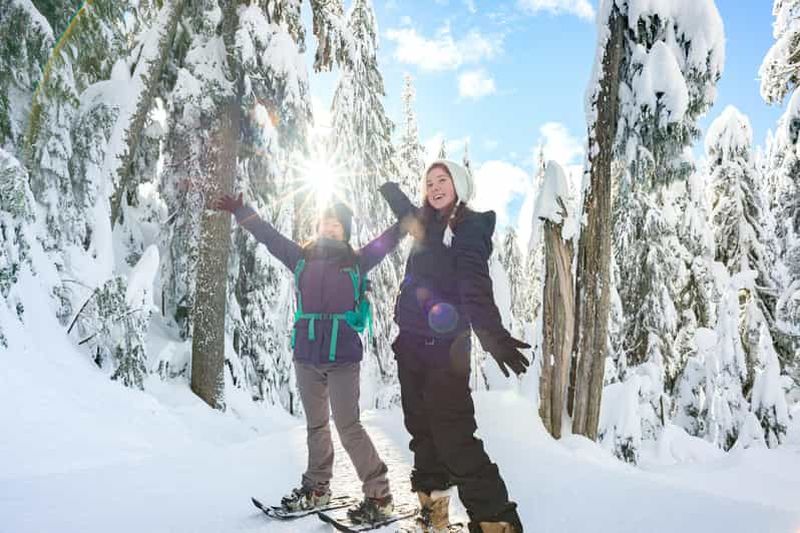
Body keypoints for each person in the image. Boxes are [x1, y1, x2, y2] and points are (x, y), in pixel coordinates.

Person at [214, 193, 401, 524]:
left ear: (345, 231)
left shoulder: (356, 261)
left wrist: (410, 221)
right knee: (316, 425)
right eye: (325, 222)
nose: (330, 227)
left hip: (343, 355)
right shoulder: (300, 256)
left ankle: (379, 494)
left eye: (337, 224)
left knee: (348, 426)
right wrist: (242, 210)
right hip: (306, 355)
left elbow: (387, 242)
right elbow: (268, 236)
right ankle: (317, 488)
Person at [379, 160, 531, 533]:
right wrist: (390, 190)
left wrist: (493, 336)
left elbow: (473, 286)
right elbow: (406, 213)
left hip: (447, 351)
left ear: (459, 184)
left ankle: (496, 522)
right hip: (411, 345)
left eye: (442, 180)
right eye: (429, 182)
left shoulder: (468, 227)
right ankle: (434, 511)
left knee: (453, 435)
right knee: (422, 430)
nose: (434, 187)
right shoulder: (425, 223)